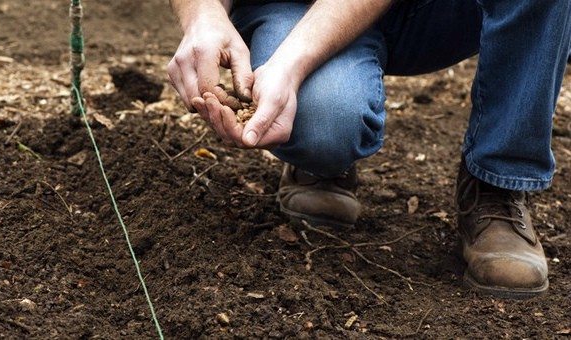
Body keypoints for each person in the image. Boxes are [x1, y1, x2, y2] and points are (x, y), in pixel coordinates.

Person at [167, 0, 571, 299]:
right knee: (324, 122)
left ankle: (496, 181)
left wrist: (291, 65)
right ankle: (323, 160)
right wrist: (202, 14)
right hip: (296, 6)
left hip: (441, 11)